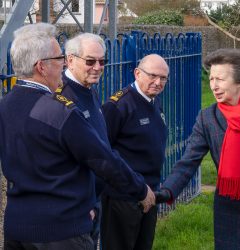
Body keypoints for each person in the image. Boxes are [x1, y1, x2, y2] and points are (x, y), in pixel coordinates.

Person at [0, 23, 155, 250]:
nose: (63, 63)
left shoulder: (6, 105)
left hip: (17, 227)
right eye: (59, 58)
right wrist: (141, 189)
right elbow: (101, 158)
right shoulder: (57, 111)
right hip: (61, 231)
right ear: (41, 66)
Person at [156, 48, 240, 250]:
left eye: (220, 79)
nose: (213, 86)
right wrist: (167, 191)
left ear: (239, 80)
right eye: (211, 79)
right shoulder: (207, 118)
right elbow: (188, 162)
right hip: (230, 209)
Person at [100, 54, 169, 250]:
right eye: (153, 76)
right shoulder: (118, 106)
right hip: (122, 198)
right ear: (137, 73)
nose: (158, 82)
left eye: (163, 78)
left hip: (151, 192)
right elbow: (104, 154)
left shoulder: (153, 100)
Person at [58, 32, 109, 248]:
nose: (97, 67)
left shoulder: (90, 90)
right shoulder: (63, 95)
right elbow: (61, 157)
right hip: (77, 206)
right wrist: (81, 202)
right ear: (70, 60)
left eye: (102, 61)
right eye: (90, 61)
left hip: (94, 198)